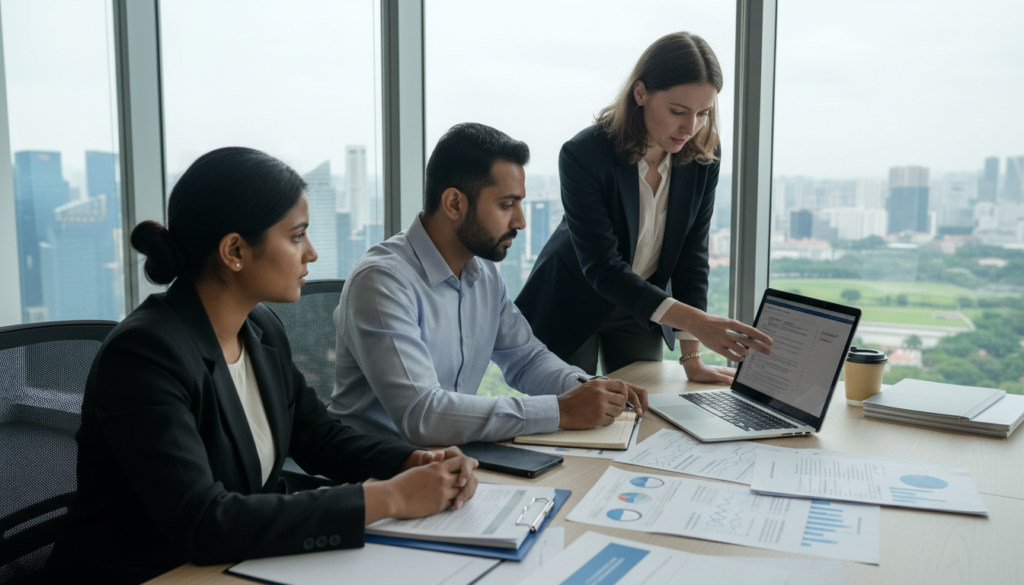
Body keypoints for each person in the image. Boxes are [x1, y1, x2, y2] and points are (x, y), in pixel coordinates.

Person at [45, 147, 478, 584]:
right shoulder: (144, 355)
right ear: (234, 250)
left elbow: (317, 435)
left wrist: (411, 461)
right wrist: (386, 500)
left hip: (239, 564)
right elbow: (203, 521)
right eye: (296, 236)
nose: (310, 253)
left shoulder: (260, 328)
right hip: (156, 573)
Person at [330, 123, 648, 446]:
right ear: (454, 203)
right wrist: (560, 410)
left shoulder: (483, 272)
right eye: (506, 205)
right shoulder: (381, 282)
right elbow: (422, 414)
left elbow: (527, 359)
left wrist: (591, 388)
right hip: (374, 474)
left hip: (452, 461)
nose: (520, 221)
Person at [515, 32, 773, 383]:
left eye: (702, 113)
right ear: (641, 93)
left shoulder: (702, 159)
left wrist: (692, 357)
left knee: (644, 409)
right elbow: (602, 267)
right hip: (571, 302)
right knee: (576, 418)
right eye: (678, 111)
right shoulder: (584, 155)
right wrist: (695, 320)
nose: (691, 127)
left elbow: (690, 258)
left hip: (643, 306)